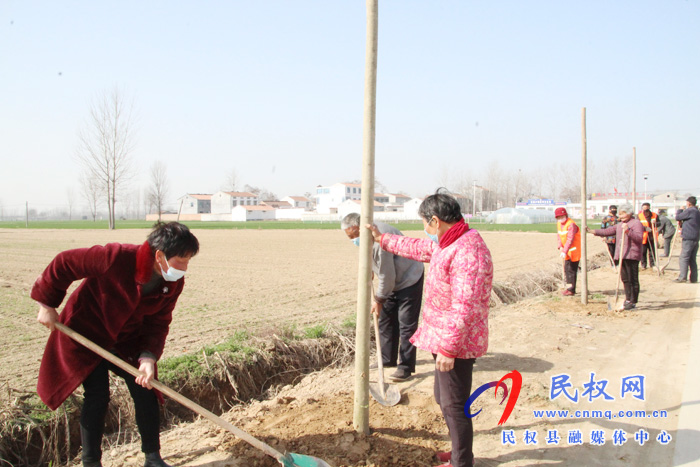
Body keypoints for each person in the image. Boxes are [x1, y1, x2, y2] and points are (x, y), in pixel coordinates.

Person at [32, 222, 200, 467]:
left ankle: (152, 457)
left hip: (126, 341)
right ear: (159, 255)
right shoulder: (115, 258)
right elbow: (64, 262)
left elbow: (159, 321)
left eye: (188, 262)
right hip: (87, 334)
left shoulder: (172, 283)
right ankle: (91, 463)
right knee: (98, 396)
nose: (184, 268)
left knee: (147, 388)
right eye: (180, 261)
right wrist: (46, 305)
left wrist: (148, 356)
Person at [366, 191, 493, 467]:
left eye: (425, 223)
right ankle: (459, 452)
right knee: (443, 397)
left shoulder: (468, 252)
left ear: (436, 221)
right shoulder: (450, 241)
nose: (425, 230)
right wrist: (383, 239)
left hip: (456, 342)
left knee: (453, 404)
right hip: (445, 338)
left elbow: (465, 307)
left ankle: (462, 461)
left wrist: (449, 348)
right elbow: (419, 248)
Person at [341, 213, 424, 381]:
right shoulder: (366, 234)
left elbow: (387, 276)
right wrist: (371, 268)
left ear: (359, 228)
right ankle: (387, 359)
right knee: (386, 320)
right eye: (349, 238)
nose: (353, 241)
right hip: (392, 278)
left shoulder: (380, 239)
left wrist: (378, 300)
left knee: (406, 324)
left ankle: (405, 366)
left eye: (353, 236)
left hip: (409, 277)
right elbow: (373, 259)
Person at [587, 205, 644, 310]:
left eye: (623, 213)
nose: (620, 216)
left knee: (632, 279)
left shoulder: (636, 224)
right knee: (625, 279)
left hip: (632, 255)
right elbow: (607, 231)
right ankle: (627, 299)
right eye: (620, 214)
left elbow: (639, 238)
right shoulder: (620, 225)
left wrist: (628, 231)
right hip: (622, 255)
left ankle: (633, 300)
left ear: (629, 213)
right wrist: (592, 231)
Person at [554, 207, 581, 296]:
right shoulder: (559, 224)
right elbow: (559, 235)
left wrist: (565, 251)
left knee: (571, 270)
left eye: (562, 216)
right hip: (566, 251)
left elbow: (570, 238)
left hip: (573, 251)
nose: (561, 219)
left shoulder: (571, 224)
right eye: (559, 217)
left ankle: (571, 289)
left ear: (566, 215)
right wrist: (560, 246)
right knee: (566, 269)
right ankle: (569, 288)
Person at [674, 196, 700, 283]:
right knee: (692, 258)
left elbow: (678, 217)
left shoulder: (690, 211)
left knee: (684, 258)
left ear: (688, 203)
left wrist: (680, 210)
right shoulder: (697, 212)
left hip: (688, 238)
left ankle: (682, 277)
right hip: (695, 238)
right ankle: (694, 278)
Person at [638, 203, 658, 269]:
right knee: (643, 252)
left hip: (652, 236)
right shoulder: (639, 216)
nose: (646, 209)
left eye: (647, 208)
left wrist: (655, 223)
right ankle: (643, 265)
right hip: (643, 236)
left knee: (652, 251)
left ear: (649, 208)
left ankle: (652, 265)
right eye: (644, 208)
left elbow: (659, 223)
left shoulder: (654, 215)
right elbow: (637, 225)